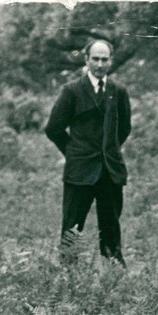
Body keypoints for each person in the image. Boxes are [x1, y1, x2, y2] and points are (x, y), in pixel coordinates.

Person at [45, 39, 132, 266]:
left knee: (111, 227)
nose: (100, 64)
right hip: (80, 171)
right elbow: (53, 128)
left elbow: (124, 128)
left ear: (111, 61)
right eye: (95, 59)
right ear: (86, 60)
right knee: (72, 226)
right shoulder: (72, 90)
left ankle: (113, 277)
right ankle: (67, 276)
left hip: (110, 171)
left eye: (105, 59)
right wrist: (74, 152)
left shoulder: (119, 92)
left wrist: (109, 150)